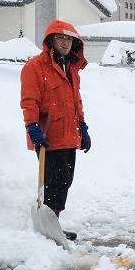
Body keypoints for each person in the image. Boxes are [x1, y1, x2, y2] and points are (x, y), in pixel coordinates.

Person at [20, 20, 91, 241]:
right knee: (51, 183)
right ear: (51, 41)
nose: (65, 43)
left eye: (69, 39)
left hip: (69, 134)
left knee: (65, 182)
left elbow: (75, 100)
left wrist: (84, 126)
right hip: (48, 136)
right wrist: (32, 126)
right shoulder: (35, 67)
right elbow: (29, 101)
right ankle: (47, 229)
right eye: (61, 38)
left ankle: (54, 224)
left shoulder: (71, 69)